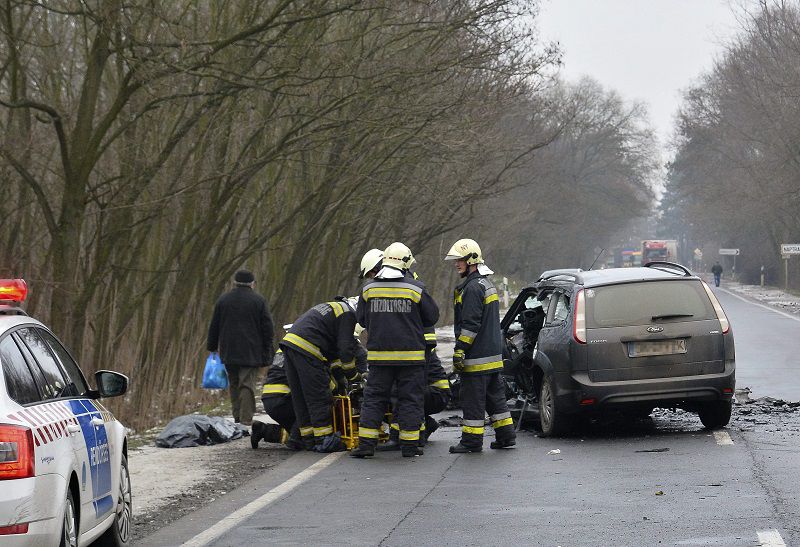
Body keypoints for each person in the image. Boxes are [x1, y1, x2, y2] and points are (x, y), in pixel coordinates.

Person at [350, 242, 439, 458]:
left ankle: (366, 446)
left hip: (380, 358)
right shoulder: (416, 289)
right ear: (405, 263)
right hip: (412, 358)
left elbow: (361, 319)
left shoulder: (368, 289)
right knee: (410, 400)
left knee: (374, 399)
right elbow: (432, 316)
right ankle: (409, 447)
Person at [444, 238, 516, 453]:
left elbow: (470, 326)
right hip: (492, 357)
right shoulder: (486, 284)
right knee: (496, 400)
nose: (457, 264)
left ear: (472, 261)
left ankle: (471, 442)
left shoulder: (473, 288)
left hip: (476, 359)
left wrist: (460, 350)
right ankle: (506, 436)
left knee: (473, 402)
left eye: (460, 260)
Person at [280, 297, 362, 452]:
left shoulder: (333, 308)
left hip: (290, 345)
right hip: (307, 348)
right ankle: (324, 439)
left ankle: (307, 440)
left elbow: (333, 350)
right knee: (319, 395)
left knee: (301, 398)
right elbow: (345, 351)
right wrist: (354, 377)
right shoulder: (348, 314)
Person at [207, 269, 274, 427]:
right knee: (247, 384)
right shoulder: (258, 300)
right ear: (252, 283)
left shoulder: (223, 300)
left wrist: (212, 346)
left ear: (234, 282)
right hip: (251, 349)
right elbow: (268, 328)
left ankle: (237, 417)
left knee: (234, 383)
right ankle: (245, 419)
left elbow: (214, 325)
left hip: (229, 348)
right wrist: (268, 347)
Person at [251, 349, 303, 450]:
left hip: (269, 399)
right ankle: (295, 438)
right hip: (284, 399)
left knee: (292, 430)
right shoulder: (303, 350)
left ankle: (263, 430)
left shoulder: (284, 348)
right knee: (313, 406)